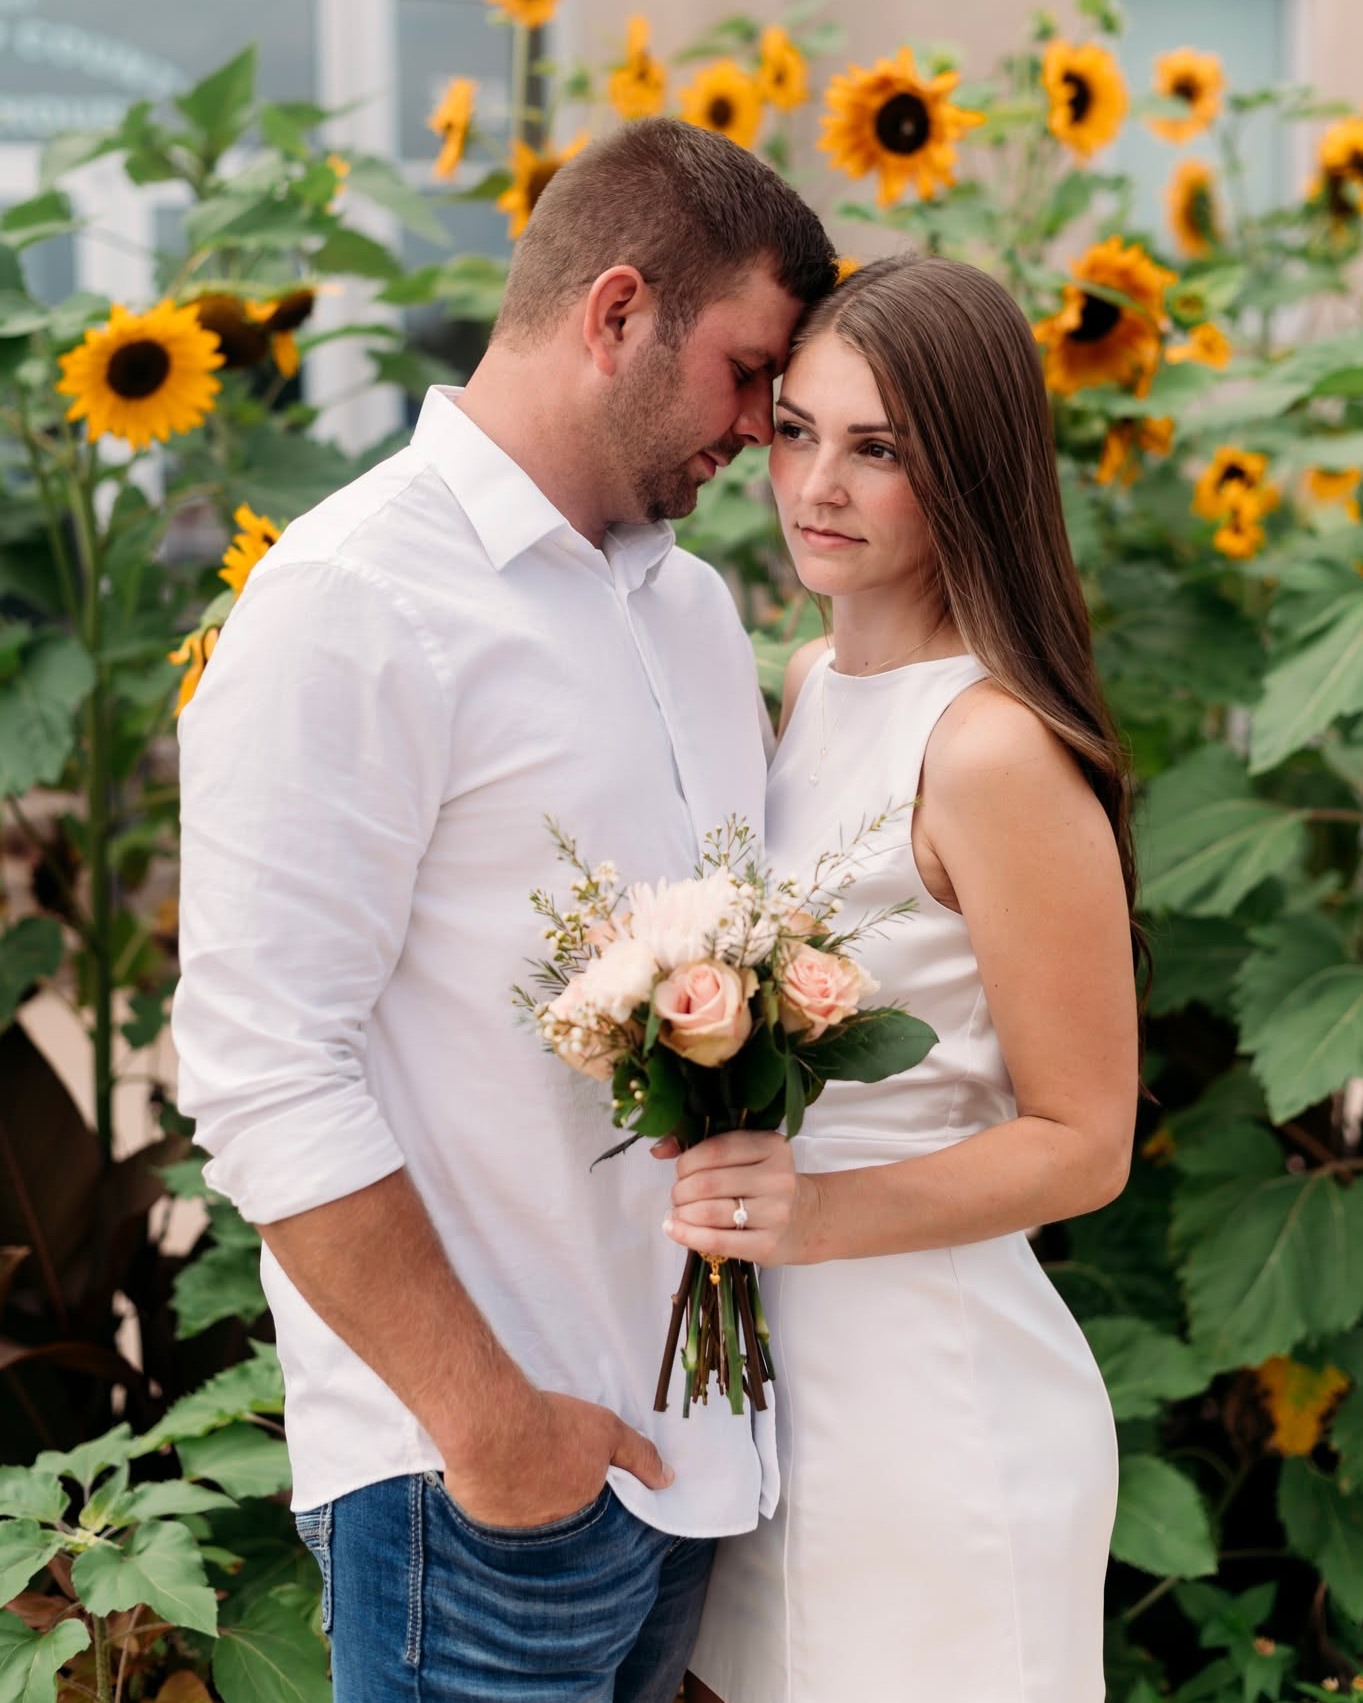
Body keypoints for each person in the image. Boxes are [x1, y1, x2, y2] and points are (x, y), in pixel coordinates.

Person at [171, 116, 835, 1702]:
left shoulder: (689, 605)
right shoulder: (353, 601)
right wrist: (496, 1433)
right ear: (616, 316)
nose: (768, 426)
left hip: (686, 1480)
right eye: (749, 372)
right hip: (478, 1505)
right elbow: (263, 1069)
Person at [667, 255, 1141, 1703]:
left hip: (939, 1404)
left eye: (879, 451)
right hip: (782, 1395)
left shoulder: (989, 747)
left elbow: (1087, 1139)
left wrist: (811, 1212)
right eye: (798, 429)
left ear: (972, 471)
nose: (816, 484)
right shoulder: (809, 683)